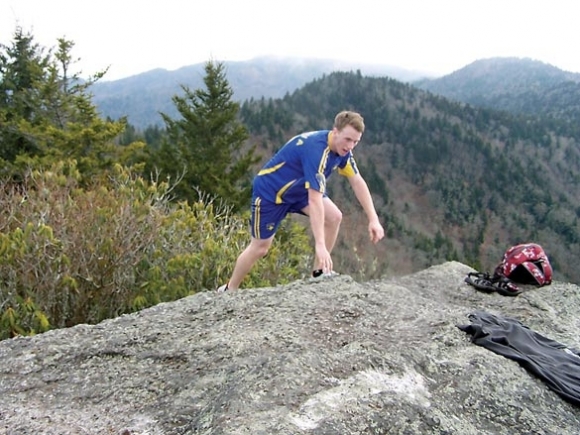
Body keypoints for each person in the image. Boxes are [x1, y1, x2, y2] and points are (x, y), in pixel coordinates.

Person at [217, 110, 385, 292]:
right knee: (260, 247)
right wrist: (320, 244)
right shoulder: (317, 151)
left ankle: (319, 274)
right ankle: (229, 289)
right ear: (335, 132)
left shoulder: (342, 151)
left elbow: (357, 181)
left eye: (355, 142)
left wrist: (373, 219)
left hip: (299, 190)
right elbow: (315, 199)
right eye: (348, 139)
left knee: (334, 217)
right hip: (271, 192)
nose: (350, 146)